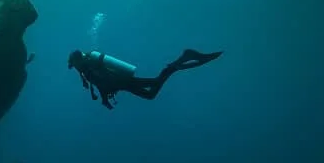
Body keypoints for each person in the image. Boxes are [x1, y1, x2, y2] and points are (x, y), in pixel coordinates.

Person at [67, 49, 223, 109]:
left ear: (76, 61)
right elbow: (101, 82)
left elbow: (101, 83)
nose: (74, 67)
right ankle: (177, 64)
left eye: (73, 64)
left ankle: (180, 60)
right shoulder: (87, 67)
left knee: (154, 86)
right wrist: (104, 98)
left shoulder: (88, 69)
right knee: (151, 93)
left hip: (124, 82)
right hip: (123, 83)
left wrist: (104, 99)